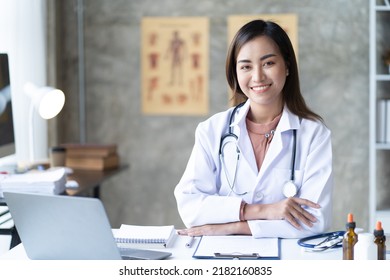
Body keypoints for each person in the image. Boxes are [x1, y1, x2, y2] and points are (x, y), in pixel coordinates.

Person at [174, 19, 333, 239]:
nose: (257, 77)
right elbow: (190, 207)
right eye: (246, 66)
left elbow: (314, 221)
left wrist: (232, 226)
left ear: (287, 66)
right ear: (236, 74)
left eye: (268, 63)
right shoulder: (212, 130)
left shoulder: (314, 134)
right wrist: (264, 211)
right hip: (223, 257)